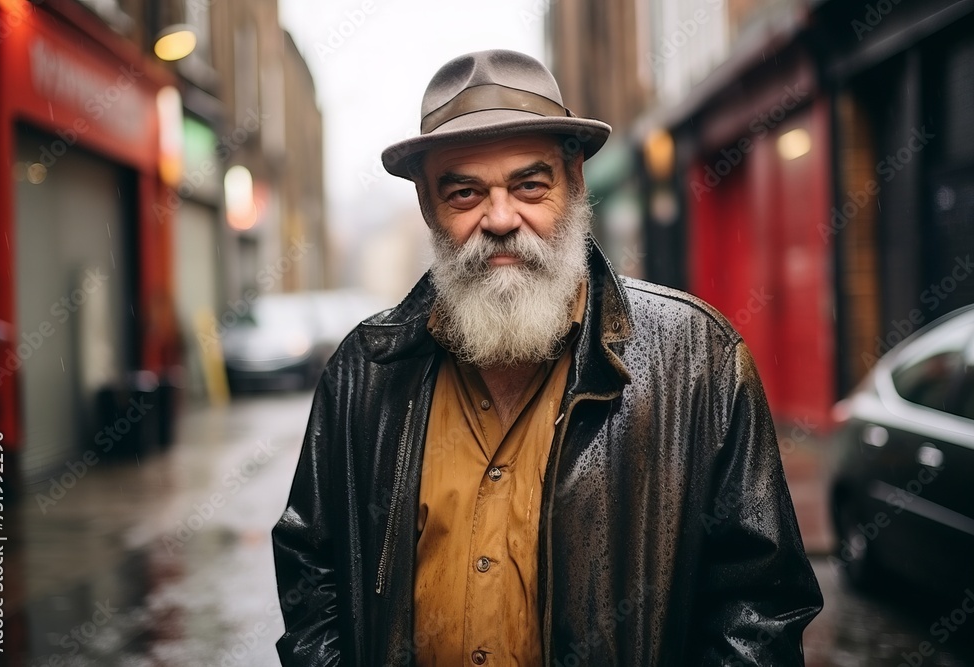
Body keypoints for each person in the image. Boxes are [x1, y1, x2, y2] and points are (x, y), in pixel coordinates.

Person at [272, 49, 822, 666]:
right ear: (429, 207)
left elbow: (759, 612)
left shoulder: (698, 362)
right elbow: (311, 574)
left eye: (529, 185)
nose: (501, 218)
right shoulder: (364, 371)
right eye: (465, 193)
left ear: (575, 185)